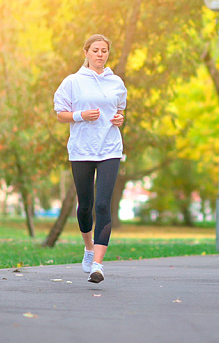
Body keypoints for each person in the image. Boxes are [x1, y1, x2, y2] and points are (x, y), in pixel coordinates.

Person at [53, 34, 127, 283]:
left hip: (110, 148)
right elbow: (60, 114)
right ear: (86, 52)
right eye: (95, 50)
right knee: (85, 205)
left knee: (103, 205)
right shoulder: (73, 82)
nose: (99, 54)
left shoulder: (116, 82)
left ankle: (98, 264)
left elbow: (119, 110)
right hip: (82, 149)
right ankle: (87, 248)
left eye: (104, 51)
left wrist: (119, 119)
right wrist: (81, 114)